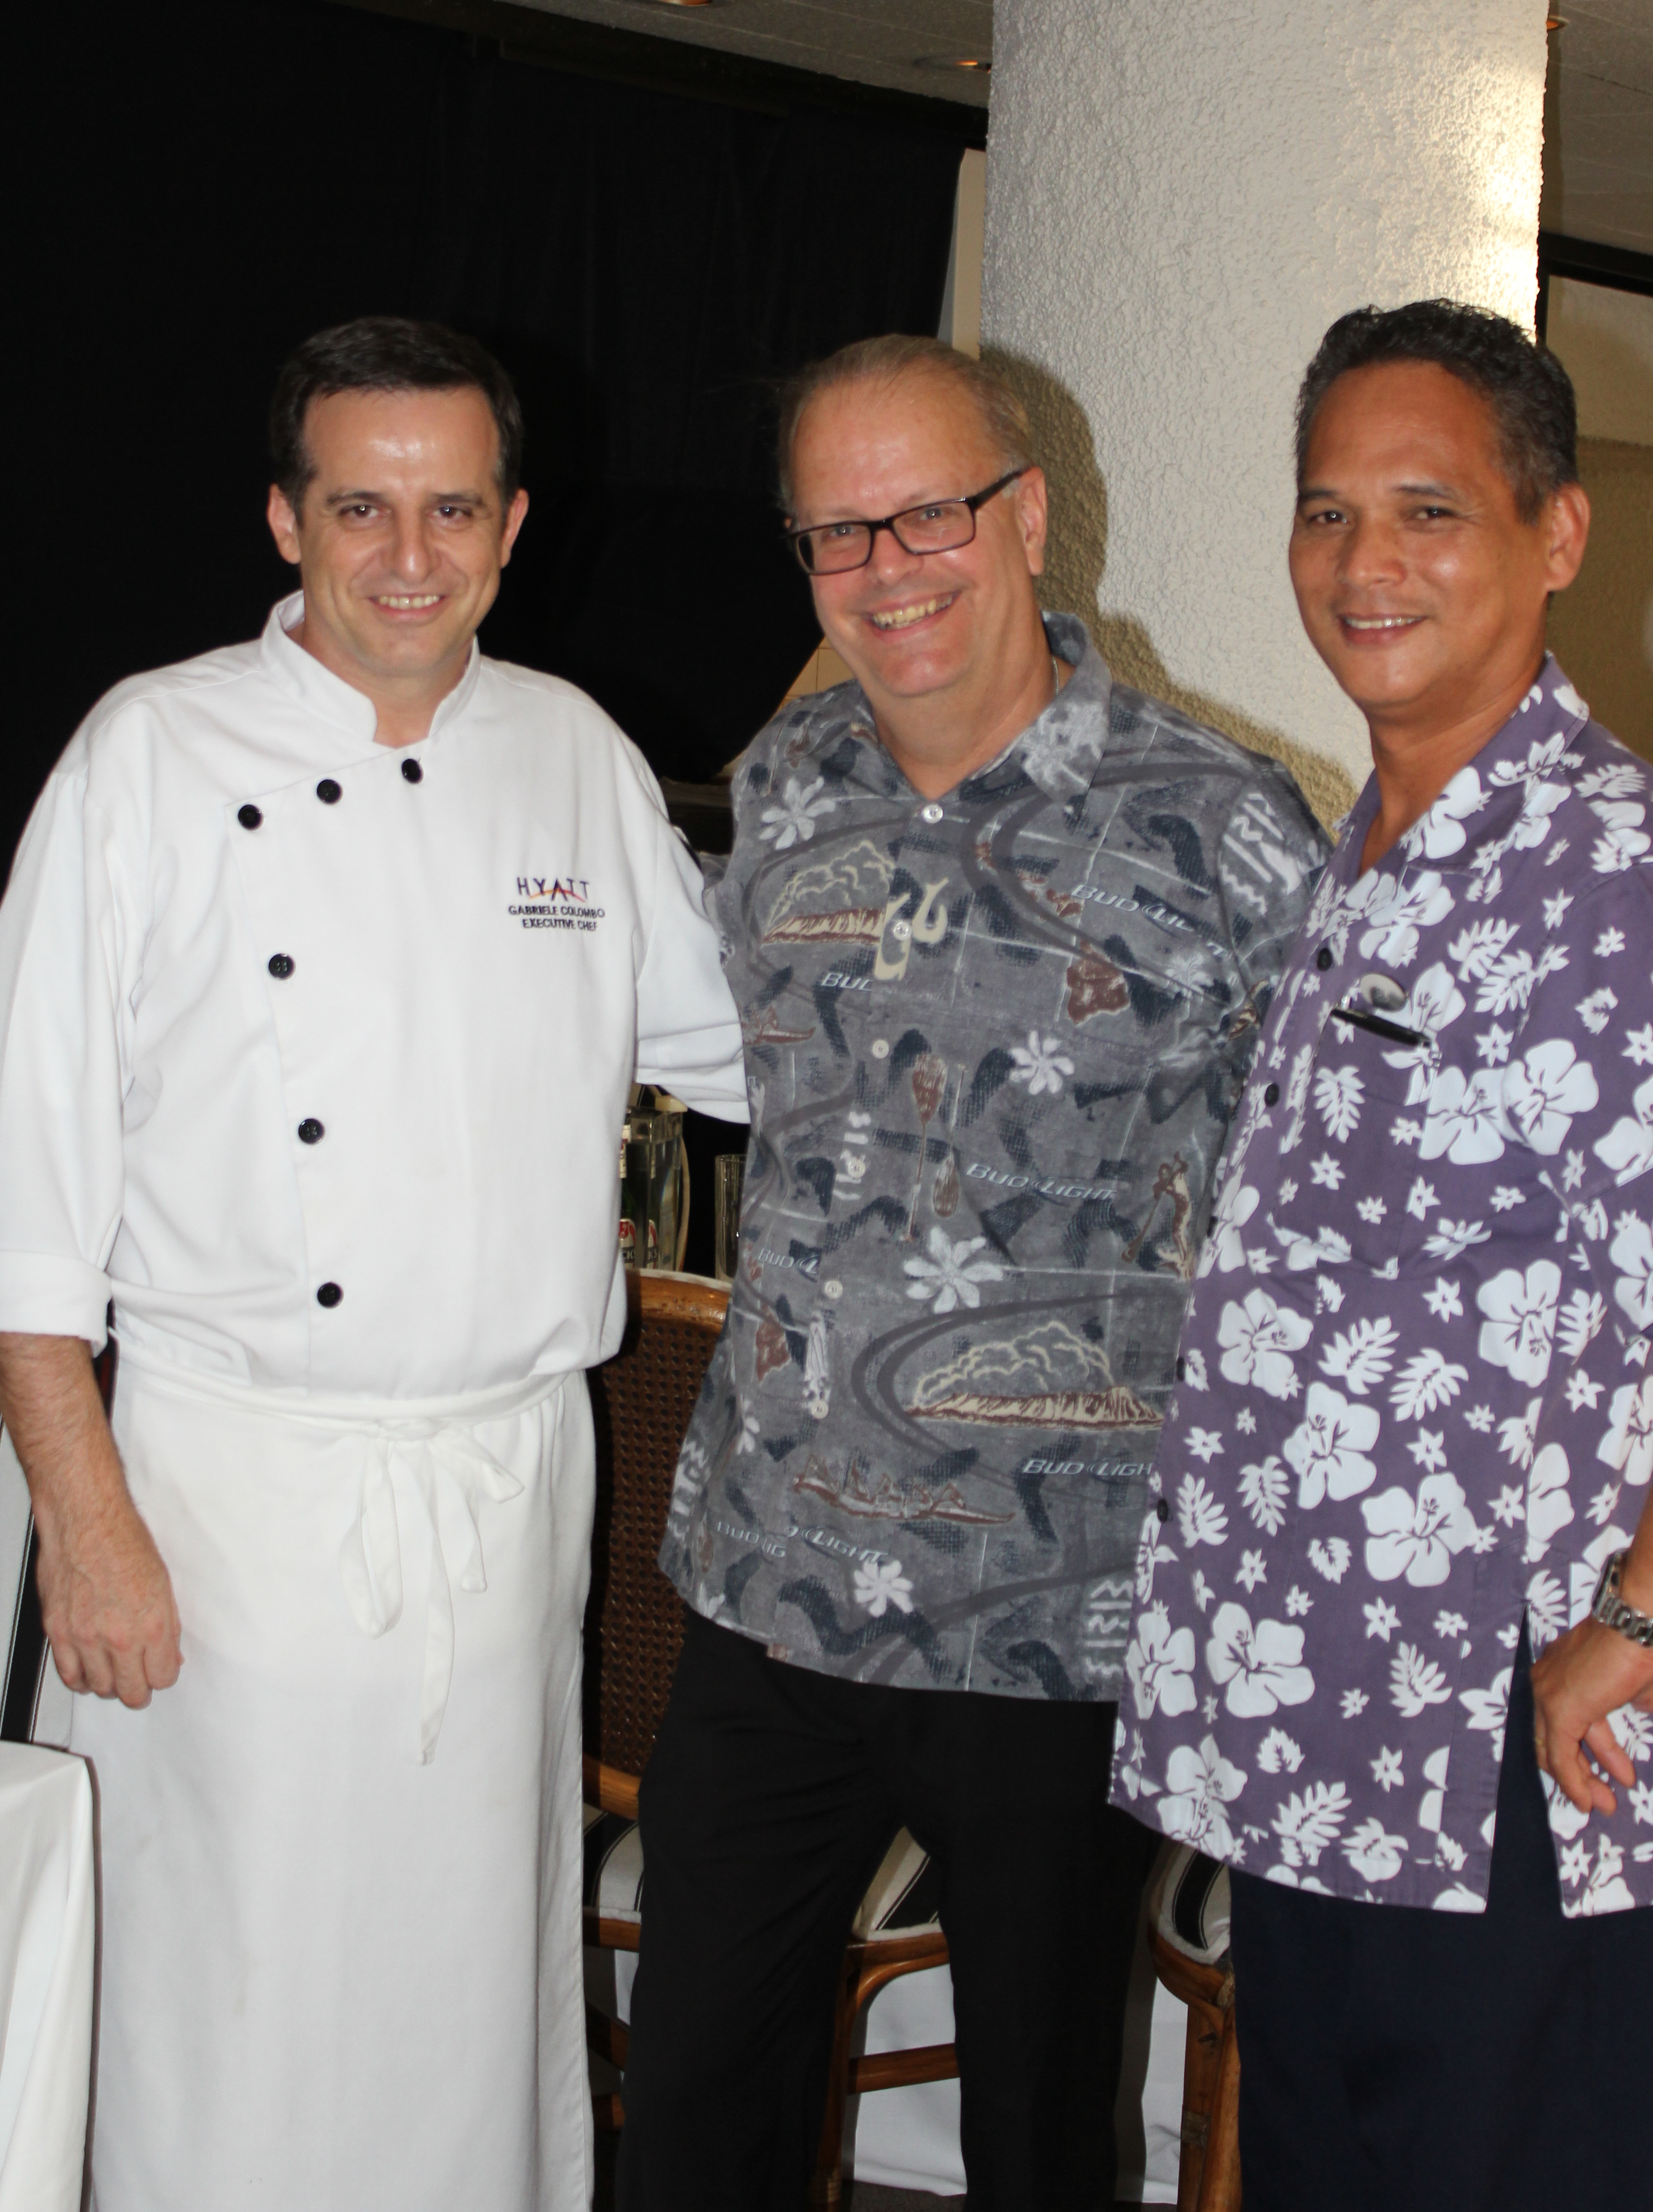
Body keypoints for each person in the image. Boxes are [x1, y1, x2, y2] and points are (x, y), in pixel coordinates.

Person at [0, 317, 745, 2212]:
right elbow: (31, 1192)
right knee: (213, 1995)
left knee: (468, 1988)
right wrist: (84, 1521)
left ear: (510, 531)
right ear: (284, 521)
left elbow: (754, 1046)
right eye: (360, 508)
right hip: (218, 1497)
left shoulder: (576, 757)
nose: (406, 556)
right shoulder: (148, 756)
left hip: (502, 1500)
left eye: (449, 510)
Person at [616, 333, 1326, 2211]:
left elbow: (1316, 1216)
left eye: (927, 510)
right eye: (836, 531)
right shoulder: (782, 788)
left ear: (1026, 518)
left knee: (1036, 2137)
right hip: (769, 1589)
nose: (886, 565)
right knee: (690, 2105)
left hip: (1054, 1612)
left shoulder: (1224, 825)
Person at [1115, 297, 1653, 2209]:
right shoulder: (1379, 849)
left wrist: (1638, 1627)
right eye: (1327, 513)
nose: (1364, 564)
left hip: (1516, 1720)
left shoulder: (1625, 877)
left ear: (1555, 536)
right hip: (1328, 1712)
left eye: (1428, 511)